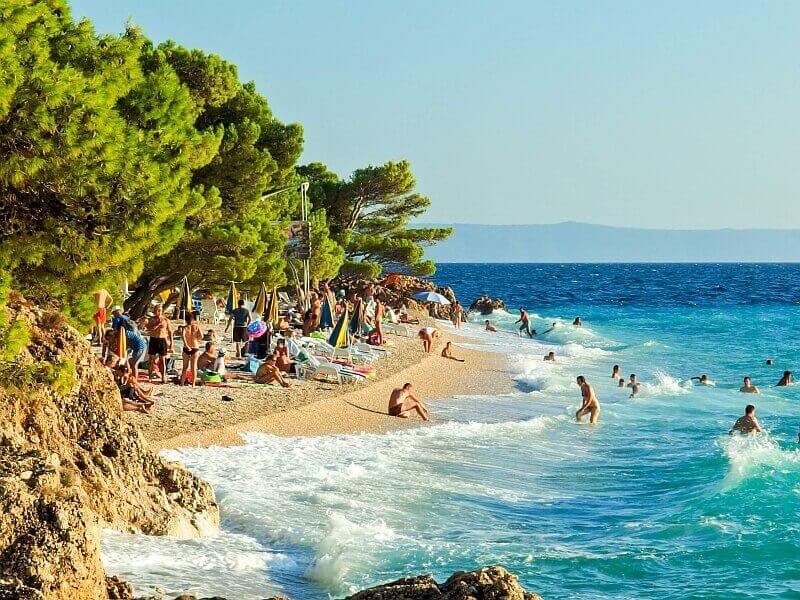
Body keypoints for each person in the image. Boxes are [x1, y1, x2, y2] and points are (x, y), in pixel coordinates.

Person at [111, 306, 146, 382]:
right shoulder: (126, 319)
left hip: (140, 347)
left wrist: (113, 339)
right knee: (129, 362)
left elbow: (115, 331)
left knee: (134, 365)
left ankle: (134, 381)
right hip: (139, 345)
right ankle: (131, 379)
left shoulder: (124, 332)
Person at [146, 304, 173, 383]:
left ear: (162, 311)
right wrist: (157, 324)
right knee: (151, 359)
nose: (157, 312)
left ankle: (163, 376)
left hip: (162, 339)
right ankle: (150, 376)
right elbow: (149, 328)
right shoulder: (151, 319)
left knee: (162, 360)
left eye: (159, 310)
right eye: (156, 310)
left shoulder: (166, 320)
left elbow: (170, 332)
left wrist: (171, 344)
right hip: (154, 339)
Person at [180, 312, 203, 386]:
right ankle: (193, 384)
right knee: (193, 367)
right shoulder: (196, 327)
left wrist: (186, 345)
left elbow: (183, 336)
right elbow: (201, 336)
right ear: (193, 319)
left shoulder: (185, 328)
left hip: (186, 348)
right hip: (195, 347)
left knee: (185, 367)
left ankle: (182, 383)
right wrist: (197, 340)